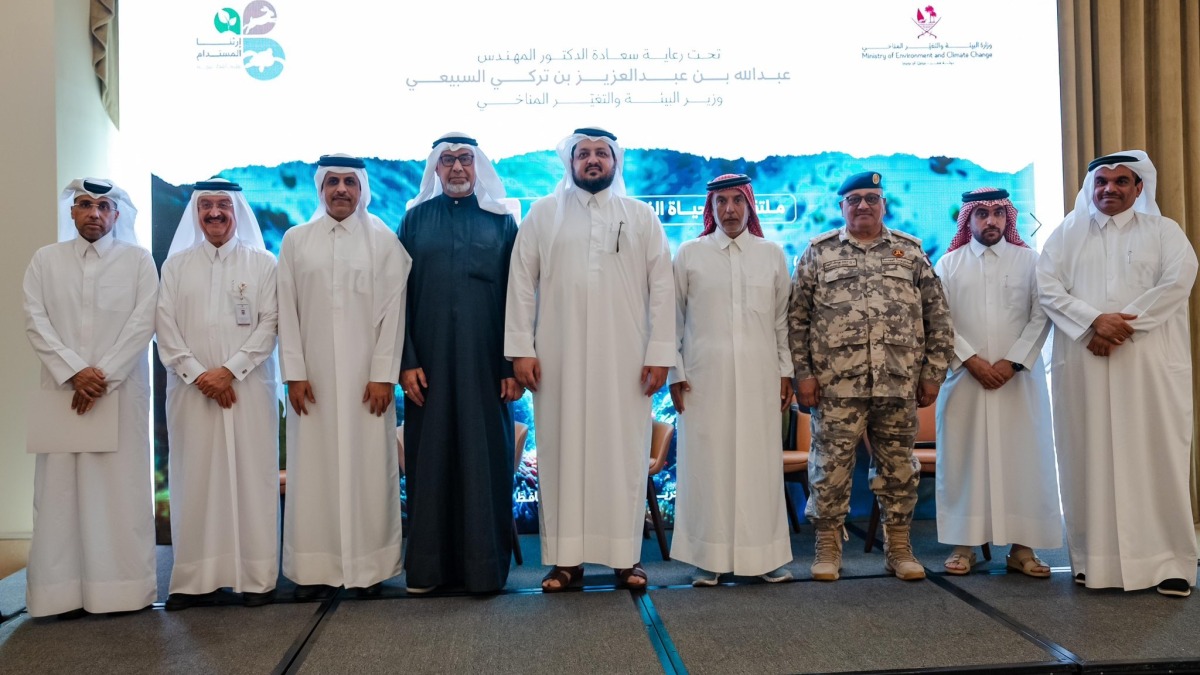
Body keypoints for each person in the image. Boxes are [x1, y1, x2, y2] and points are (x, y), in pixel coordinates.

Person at [505, 127, 675, 592]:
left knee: (621, 454)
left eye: (602, 154)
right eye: (584, 154)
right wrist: (521, 349)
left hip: (627, 362)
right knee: (562, 453)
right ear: (571, 162)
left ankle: (625, 559)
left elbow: (662, 290)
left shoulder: (640, 217)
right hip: (557, 360)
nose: (593, 161)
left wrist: (661, 354)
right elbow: (521, 283)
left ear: (615, 162)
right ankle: (564, 562)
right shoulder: (543, 215)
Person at [1037, 151, 1198, 597]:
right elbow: (1047, 287)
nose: (1110, 189)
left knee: (1154, 456)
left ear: (1138, 187)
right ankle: (1096, 562)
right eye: (1102, 182)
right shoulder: (1067, 235)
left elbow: (1176, 284)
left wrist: (1114, 328)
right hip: (1085, 366)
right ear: (1091, 188)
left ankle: (1168, 564)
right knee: (1088, 456)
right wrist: (1093, 320)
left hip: (1147, 368)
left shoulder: (1164, 232)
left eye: (1121, 181)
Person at [788, 171, 953, 582]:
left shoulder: (910, 254)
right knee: (830, 466)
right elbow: (796, 320)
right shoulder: (818, 254)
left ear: (884, 205)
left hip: (897, 383)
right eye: (854, 199)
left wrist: (932, 374)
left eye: (871, 199)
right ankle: (827, 548)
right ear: (841, 207)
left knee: (898, 467)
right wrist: (803, 376)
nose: (863, 205)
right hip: (836, 385)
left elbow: (939, 317)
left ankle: (899, 548)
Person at [277, 154, 412, 600]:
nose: (340, 189)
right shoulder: (297, 241)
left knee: (368, 472)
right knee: (312, 472)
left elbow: (395, 315)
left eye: (349, 182)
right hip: (311, 382)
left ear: (361, 189)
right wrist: (293, 373)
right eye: (332, 181)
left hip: (365, 384)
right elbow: (287, 311)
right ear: (320, 187)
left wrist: (382, 375)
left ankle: (368, 569)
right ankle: (315, 570)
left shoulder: (384, 241)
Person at [22, 178, 158, 618]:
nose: (94, 214)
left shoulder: (139, 262)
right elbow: (35, 320)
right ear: (72, 212)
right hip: (64, 397)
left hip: (119, 398)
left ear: (117, 215)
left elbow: (143, 323)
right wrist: (74, 372)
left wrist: (102, 377)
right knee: (58, 496)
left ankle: (120, 592)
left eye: (103, 206)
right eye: (85, 205)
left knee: (119, 492)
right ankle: (58, 595)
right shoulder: (45, 260)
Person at [398, 132, 520, 594]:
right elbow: (398, 299)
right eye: (446, 161)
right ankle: (429, 571)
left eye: (465, 160)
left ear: (478, 166)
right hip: (427, 370)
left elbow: (519, 297)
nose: (456, 168)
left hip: (487, 370)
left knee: (484, 464)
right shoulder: (413, 222)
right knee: (431, 463)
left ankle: (484, 571)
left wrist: (511, 366)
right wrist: (406, 361)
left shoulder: (501, 223)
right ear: (435, 169)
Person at [156, 179, 280, 609]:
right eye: (205, 205)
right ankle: (195, 581)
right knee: (196, 480)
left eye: (222, 205)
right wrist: (198, 375)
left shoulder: (263, 263)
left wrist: (229, 371)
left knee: (251, 478)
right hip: (192, 395)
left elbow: (271, 324)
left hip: (247, 389)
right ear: (195, 212)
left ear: (237, 211)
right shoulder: (175, 267)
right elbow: (164, 328)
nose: (214, 213)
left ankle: (256, 577)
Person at [669, 174, 794, 586]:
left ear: (750, 206)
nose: (729, 210)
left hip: (760, 379)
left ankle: (765, 556)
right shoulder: (689, 254)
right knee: (708, 466)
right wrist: (675, 374)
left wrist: (785, 373)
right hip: (703, 381)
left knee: (759, 467)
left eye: (737, 200)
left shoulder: (771, 254)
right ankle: (709, 557)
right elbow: (673, 321)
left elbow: (781, 322)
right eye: (721, 201)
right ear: (711, 208)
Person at [934, 187, 1060, 577]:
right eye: (982, 214)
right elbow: (940, 320)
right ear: (967, 220)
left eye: (998, 214)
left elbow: (1042, 316)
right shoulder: (949, 264)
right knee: (964, 460)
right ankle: (964, 545)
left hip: (1017, 382)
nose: (991, 221)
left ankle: (1023, 549)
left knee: (1023, 458)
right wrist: (971, 360)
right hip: (965, 379)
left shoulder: (1031, 261)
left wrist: (1013, 363)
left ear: (1009, 218)